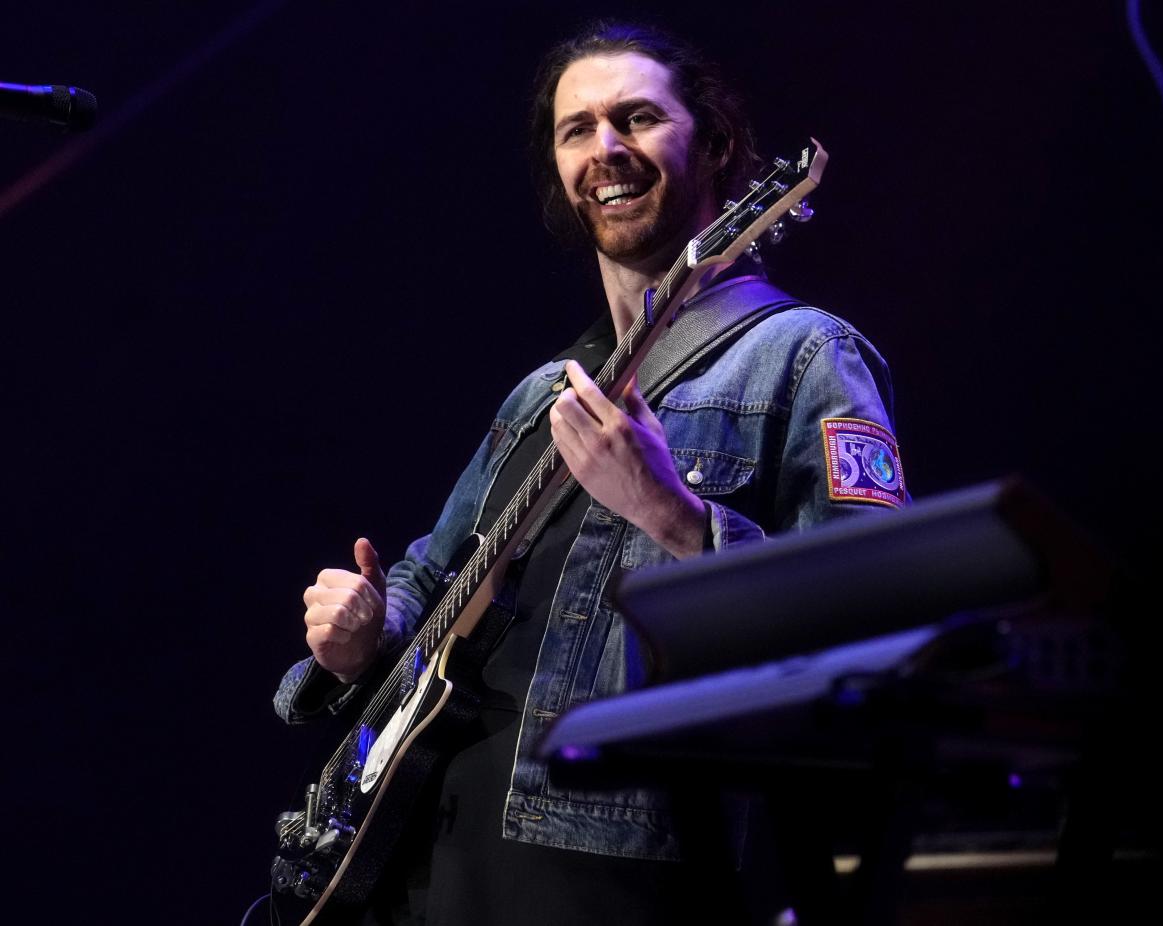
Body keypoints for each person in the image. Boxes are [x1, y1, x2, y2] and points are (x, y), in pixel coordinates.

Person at [274, 20, 906, 926]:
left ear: (718, 145)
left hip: (620, 869)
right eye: (578, 129)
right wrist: (365, 635)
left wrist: (678, 518)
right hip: (420, 850)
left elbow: (877, 610)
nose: (605, 147)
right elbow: (428, 572)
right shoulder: (544, 392)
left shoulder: (805, 357)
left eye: (638, 117)